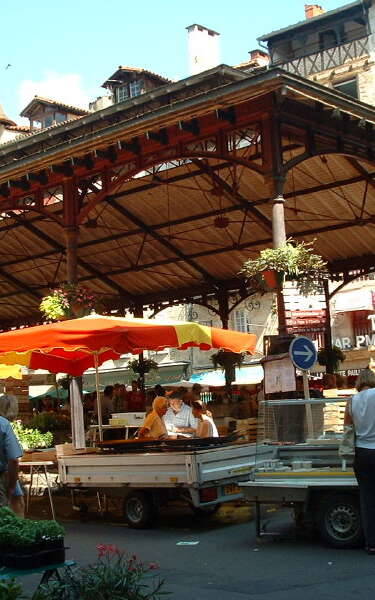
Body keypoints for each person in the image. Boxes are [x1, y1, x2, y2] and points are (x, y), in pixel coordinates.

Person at [344, 368, 375, 554]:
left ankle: (371, 543)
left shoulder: (351, 400)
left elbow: (347, 429)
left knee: (367, 499)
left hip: (362, 453)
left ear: (358, 383)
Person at [0, 395, 23, 513]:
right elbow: (13, 460)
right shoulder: (4, 425)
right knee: (5, 518)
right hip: (2, 477)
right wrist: (12, 485)